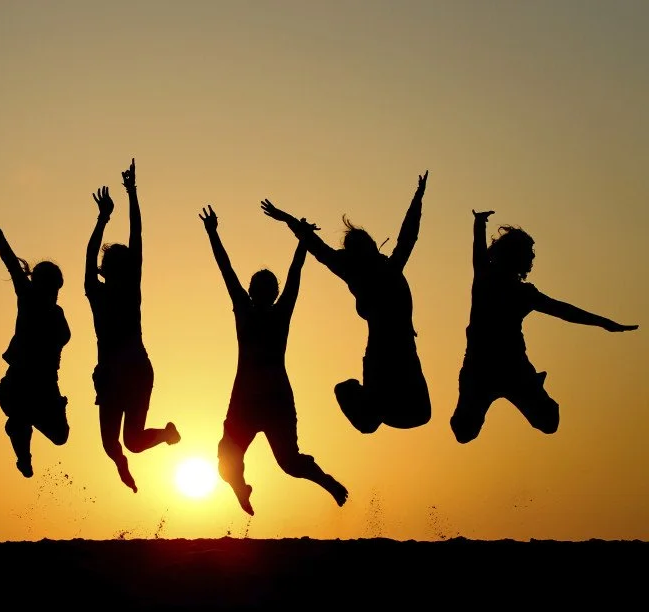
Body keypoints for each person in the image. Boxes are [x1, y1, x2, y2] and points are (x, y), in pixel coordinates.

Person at [201, 205, 348, 516]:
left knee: (285, 462)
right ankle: (242, 488)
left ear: (266, 292)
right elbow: (231, 272)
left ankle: (325, 481)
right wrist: (302, 241)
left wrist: (213, 234)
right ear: (255, 291)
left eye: (264, 288)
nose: (260, 290)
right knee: (234, 461)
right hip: (254, 398)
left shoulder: (271, 312)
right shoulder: (251, 309)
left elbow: (289, 276)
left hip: (267, 398)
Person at [261, 171, 431, 434]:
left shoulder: (375, 269)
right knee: (404, 416)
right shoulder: (375, 270)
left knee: (419, 415)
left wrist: (418, 197)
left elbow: (407, 236)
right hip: (387, 355)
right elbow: (317, 246)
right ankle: (367, 402)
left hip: (397, 352)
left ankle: (371, 405)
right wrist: (287, 220)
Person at [451, 209, 638, 442]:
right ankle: (530, 385)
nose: (532, 259)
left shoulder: (524, 293)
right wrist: (479, 223)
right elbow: (478, 250)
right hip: (479, 369)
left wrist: (603, 323)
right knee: (463, 433)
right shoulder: (485, 276)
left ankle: (535, 386)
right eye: (528, 254)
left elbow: (564, 311)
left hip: (513, 368)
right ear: (514, 256)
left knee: (549, 423)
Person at [85, 159, 180, 493]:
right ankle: (122, 463)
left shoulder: (128, 289)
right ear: (106, 270)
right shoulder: (95, 292)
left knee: (134, 442)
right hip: (114, 375)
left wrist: (131, 194)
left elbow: (137, 236)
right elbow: (90, 257)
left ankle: (166, 435)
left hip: (135, 371)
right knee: (114, 446)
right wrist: (103, 217)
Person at [0, 224, 70, 478]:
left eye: (57, 289)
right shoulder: (29, 298)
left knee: (61, 437)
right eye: (51, 287)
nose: (54, 294)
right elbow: (12, 266)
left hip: (47, 385)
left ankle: (22, 419)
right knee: (20, 418)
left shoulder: (58, 313)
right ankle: (23, 451)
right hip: (20, 381)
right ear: (39, 284)